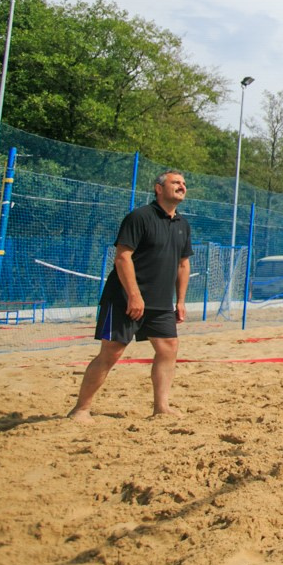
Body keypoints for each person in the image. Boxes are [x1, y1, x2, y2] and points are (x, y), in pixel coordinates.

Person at [69, 170, 192, 422]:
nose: (182, 186)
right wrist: (134, 295)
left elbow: (183, 264)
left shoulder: (182, 224)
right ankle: (81, 409)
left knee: (169, 348)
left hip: (160, 303)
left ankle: (162, 407)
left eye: (183, 183)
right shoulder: (139, 217)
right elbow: (122, 257)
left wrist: (180, 300)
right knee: (111, 352)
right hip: (124, 298)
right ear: (159, 188)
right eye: (175, 182)